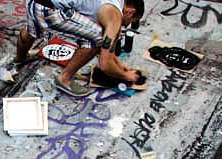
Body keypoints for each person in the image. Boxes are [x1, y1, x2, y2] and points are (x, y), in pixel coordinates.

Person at [16, 0, 146, 97]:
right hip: (47, 11)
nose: (127, 25)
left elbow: (109, 50)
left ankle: (20, 57)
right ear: (130, 11)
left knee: (33, 28)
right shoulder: (115, 15)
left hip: (34, 3)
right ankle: (64, 79)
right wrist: (125, 76)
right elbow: (105, 64)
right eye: (130, 21)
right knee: (97, 38)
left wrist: (119, 65)